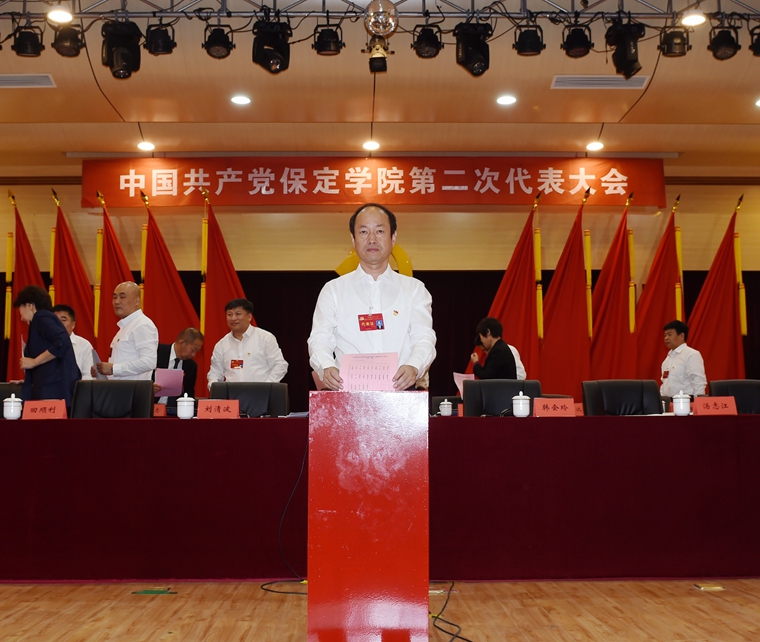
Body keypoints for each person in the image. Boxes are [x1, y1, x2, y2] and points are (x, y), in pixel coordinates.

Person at [308, 203, 436, 391]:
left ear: (393, 237)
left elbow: (424, 337)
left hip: (401, 394)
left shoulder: (414, 290)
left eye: (380, 231)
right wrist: (326, 366)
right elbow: (320, 337)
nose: (372, 239)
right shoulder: (333, 290)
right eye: (363, 232)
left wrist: (414, 366)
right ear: (353, 239)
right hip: (347, 394)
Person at [13, 285, 80, 407]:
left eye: (20, 308)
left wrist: (34, 362)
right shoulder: (42, 320)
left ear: (30, 306)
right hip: (51, 388)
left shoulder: (41, 317)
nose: (21, 316)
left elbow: (62, 341)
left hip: (52, 392)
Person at [207, 298, 287, 387]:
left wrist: (266, 387)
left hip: (261, 393)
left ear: (249, 317)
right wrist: (215, 388)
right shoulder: (221, 345)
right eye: (229, 314)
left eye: (238, 314)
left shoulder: (265, 338)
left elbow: (280, 365)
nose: (233, 318)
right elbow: (215, 373)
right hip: (233, 394)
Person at [94, 281, 158, 380]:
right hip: (120, 388)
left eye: (122, 297)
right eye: (114, 297)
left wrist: (113, 369)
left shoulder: (142, 324)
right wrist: (101, 371)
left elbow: (149, 362)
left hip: (133, 389)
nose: (117, 301)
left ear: (137, 301)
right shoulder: (126, 326)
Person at [154, 328, 204, 409]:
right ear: (182, 343)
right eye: (193, 350)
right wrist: (149, 388)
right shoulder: (157, 353)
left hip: (175, 410)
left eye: (196, 351)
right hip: (151, 406)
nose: (194, 355)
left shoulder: (191, 366)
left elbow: (189, 394)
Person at [660, 320, 706, 397]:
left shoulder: (691, 354)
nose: (666, 338)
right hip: (669, 401)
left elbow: (698, 382)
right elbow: (665, 383)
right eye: (665, 335)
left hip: (686, 401)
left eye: (670, 334)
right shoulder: (667, 359)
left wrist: (698, 402)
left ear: (681, 336)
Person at [53, 304, 94, 381]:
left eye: (63, 320)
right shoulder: (45, 343)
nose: (58, 324)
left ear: (73, 325)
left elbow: (88, 376)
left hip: (76, 387)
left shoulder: (84, 345)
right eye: (55, 321)